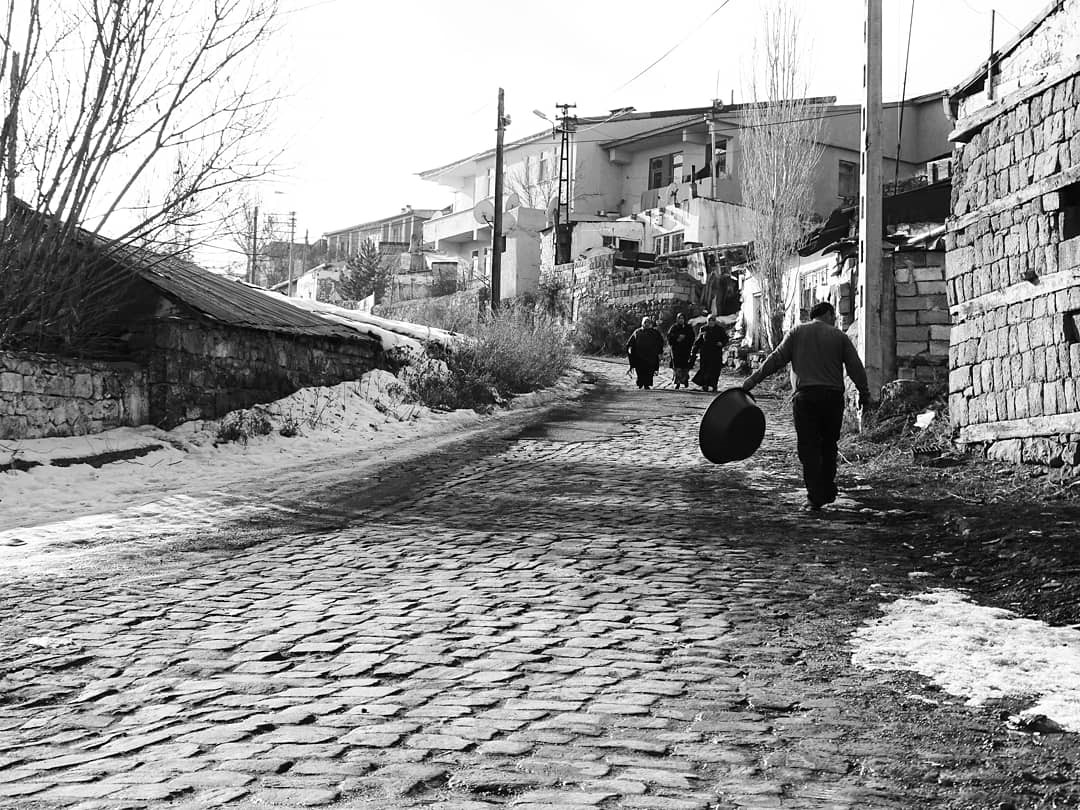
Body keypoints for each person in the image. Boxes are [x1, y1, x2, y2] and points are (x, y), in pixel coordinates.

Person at [740, 301, 871, 513]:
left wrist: (751, 382)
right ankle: (826, 488)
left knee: (808, 447)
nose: (835, 320)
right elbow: (855, 366)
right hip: (832, 397)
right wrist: (864, 393)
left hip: (806, 398)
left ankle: (815, 495)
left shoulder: (797, 333)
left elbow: (776, 359)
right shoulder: (839, 336)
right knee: (829, 444)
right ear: (828, 314)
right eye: (833, 316)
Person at [691, 314, 728, 392]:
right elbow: (699, 340)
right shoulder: (703, 329)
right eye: (709, 320)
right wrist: (694, 351)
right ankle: (705, 385)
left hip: (716, 352)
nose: (711, 322)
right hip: (705, 352)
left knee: (715, 370)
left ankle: (714, 385)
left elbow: (725, 338)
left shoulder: (720, 329)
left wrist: (722, 343)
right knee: (704, 369)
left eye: (713, 320)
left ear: (715, 321)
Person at [626, 316, 664, 389]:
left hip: (651, 356)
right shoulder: (637, 332)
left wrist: (659, 351)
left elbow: (660, 342)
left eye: (648, 322)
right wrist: (630, 348)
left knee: (649, 370)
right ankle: (640, 383)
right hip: (639, 356)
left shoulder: (654, 332)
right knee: (640, 370)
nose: (646, 324)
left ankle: (647, 384)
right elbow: (631, 342)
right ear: (642, 323)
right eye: (645, 322)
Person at [666, 313, 695, 389]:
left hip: (685, 350)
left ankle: (685, 380)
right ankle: (677, 382)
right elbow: (669, 337)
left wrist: (685, 338)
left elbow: (692, 337)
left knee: (685, 366)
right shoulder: (674, 328)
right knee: (677, 367)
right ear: (677, 319)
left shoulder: (688, 328)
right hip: (676, 350)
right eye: (679, 318)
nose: (681, 320)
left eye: (682, 318)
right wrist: (677, 338)